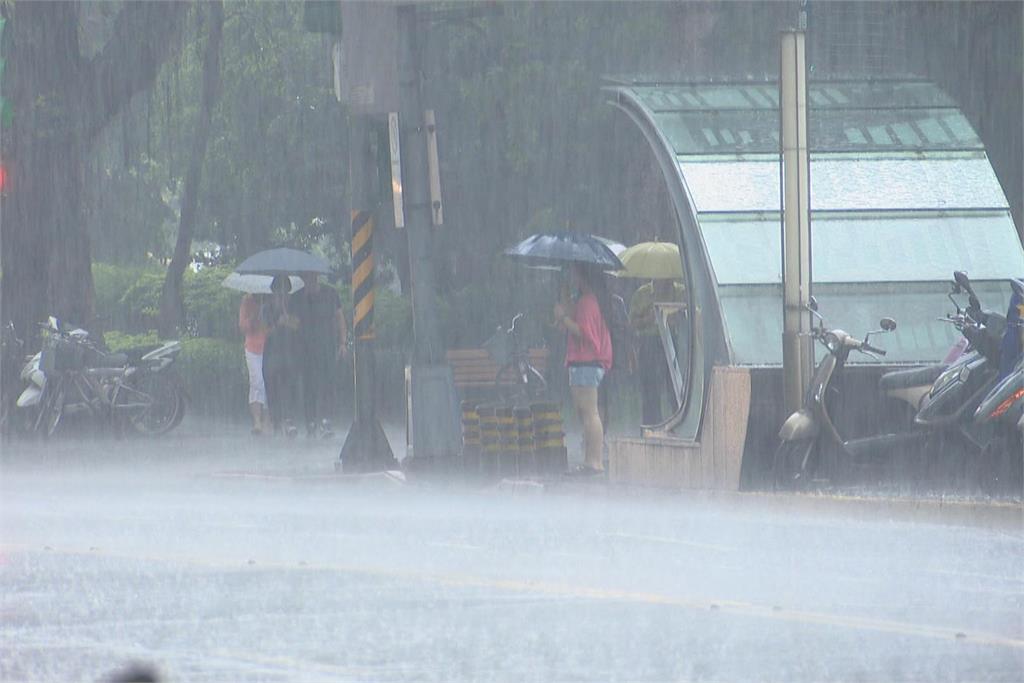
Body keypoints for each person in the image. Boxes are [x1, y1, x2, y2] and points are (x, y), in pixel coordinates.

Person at [554, 263, 613, 475]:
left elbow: (585, 333)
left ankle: (594, 462)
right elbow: (568, 324)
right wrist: (565, 306)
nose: (573, 278)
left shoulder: (588, 303)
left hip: (587, 362)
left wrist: (564, 318)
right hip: (580, 362)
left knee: (590, 412)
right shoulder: (583, 301)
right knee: (583, 413)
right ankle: (589, 459)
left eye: (575, 275)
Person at [291, 272, 348, 438]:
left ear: (317, 277)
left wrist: (342, 342)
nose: (310, 280)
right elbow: (294, 324)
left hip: (327, 347)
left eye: (312, 277)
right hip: (305, 349)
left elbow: (340, 318)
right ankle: (311, 422)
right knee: (309, 386)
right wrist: (284, 316)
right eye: (306, 278)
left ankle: (326, 421)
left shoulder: (330, 294)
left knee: (328, 385)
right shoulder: (297, 298)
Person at [629, 278, 686, 424]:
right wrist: (647, 320)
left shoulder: (680, 292)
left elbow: (691, 314)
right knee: (649, 387)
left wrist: (677, 318)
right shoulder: (642, 294)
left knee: (675, 385)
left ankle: (679, 420)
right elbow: (632, 323)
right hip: (649, 341)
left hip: (671, 339)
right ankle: (651, 424)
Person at [262, 275, 302, 437]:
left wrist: (288, 320)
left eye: (285, 291)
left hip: (289, 351)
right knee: (272, 388)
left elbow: (298, 325)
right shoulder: (266, 308)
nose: (282, 295)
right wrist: (278, 323)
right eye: (279, 291)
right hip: (271, 353)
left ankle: (289, 419)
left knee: (289, 387)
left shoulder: (293, 305)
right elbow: (264, 331)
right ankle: (276, 420)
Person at [238, 292, 270, 435]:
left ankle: (268, 419)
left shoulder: (272, 298)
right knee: (257, 382)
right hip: (253, 348)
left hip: (270, 347)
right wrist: (254, 314)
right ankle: (257, 420)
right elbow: (243, 326)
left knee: (269, 382)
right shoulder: (247, 300)